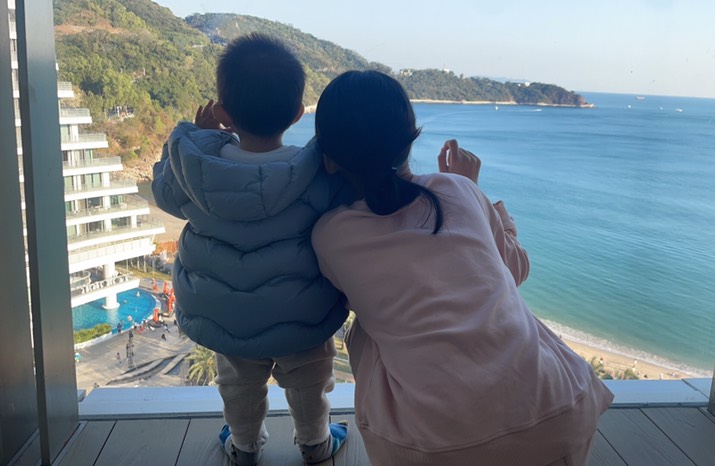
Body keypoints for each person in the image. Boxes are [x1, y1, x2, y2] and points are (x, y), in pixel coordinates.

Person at [311, 70, 614, 466]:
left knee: (365, 329)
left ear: (329, 160)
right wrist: (477, 192)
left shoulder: (330, 235)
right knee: (500, 297)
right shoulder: (457, 189)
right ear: (410, 140)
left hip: (434, 450)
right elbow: (516, 269)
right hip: (562, 415)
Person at [152, 33, 349, 466]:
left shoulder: (193, 171)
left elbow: (163, 190)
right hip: (302, 311)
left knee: (238, 385)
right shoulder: (315, 173)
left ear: (223, 113)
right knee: (310, 381)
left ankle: (244, 448)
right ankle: (315, 443)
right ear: (298, 114)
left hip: (225, 313)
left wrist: (198, 137)